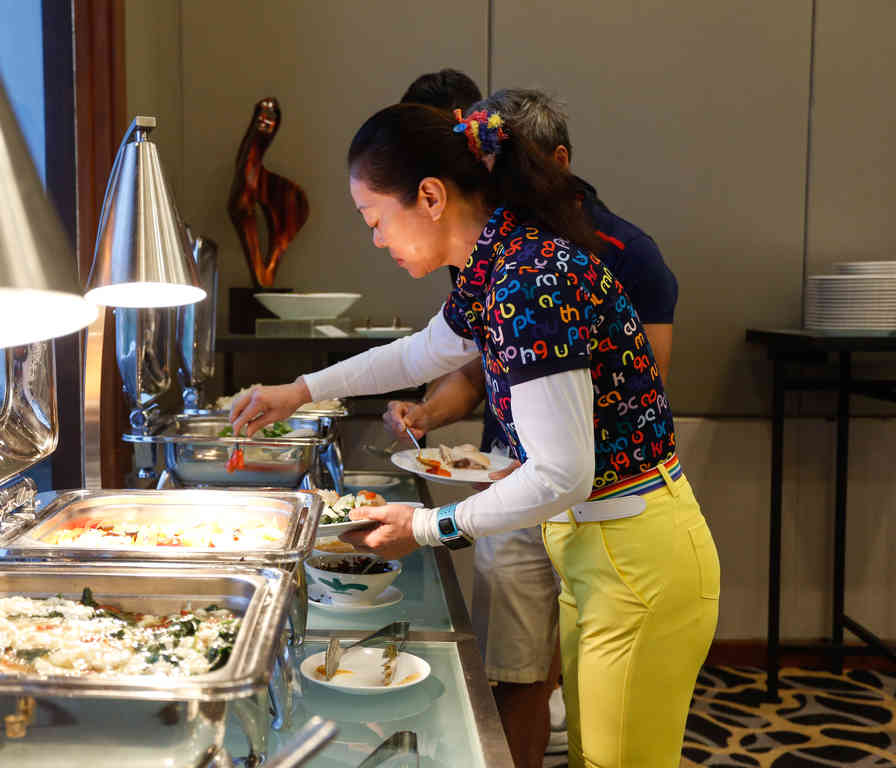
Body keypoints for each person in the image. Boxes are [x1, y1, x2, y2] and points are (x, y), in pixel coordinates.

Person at [229, 100, 719, 768]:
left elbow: (561, 472)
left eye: (375, 219)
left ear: (430, 197)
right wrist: (300, 389)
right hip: (600, 546)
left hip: (636, 556)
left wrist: (426, 527)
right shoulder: (496, 264)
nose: (376, 239)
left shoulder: (527, 281)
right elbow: (421, 354)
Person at [394, 85, 679, 766]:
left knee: (596, 711)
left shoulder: (617, 252)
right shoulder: (495, 254)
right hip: (519, 489)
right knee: (516, 673)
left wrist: (432, 523)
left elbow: (643, 384)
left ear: (557, 162)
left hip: (607, 504)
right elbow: (474, 361)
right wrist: (426, 411)